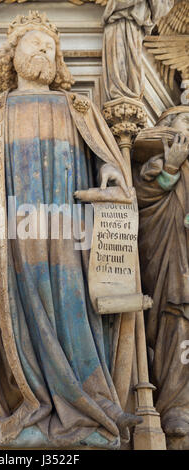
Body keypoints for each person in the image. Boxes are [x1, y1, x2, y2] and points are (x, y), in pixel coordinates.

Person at [0, 11, 141, 449]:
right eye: (33, 43)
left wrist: (113, 176)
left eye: (50, 46)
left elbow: (108, 161)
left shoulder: (80, 108)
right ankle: (29, 402)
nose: (43, 49)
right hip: (9, 244)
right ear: (11, 55)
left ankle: (89, 406)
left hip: (71, 238)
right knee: (16, 319)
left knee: (77, 312)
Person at [133, 107, 189, 439]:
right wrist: (170, 168)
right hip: (169, 261)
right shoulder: (156, 163)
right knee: (176, 331)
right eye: (186, 120)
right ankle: (175, 407)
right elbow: (140, 197)